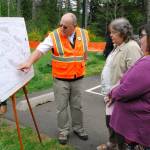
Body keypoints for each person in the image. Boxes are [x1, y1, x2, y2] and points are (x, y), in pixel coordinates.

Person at [19, 12, 89, 145]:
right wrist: (29, 63)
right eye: (60, 25)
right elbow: (40, 50)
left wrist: (84, 59)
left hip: (78, 78)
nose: (62, 28)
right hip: (61, 79)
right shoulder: (54, 36)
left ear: (74, 26)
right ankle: (63, 131)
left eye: (65, 27)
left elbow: (84, 52)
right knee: (61, 107)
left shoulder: (84, 34)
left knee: (77, 106)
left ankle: (78, 129)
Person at [97, 18, 142, 150]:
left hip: (120, 96)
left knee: (120, 126)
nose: (110, 35)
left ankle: (120, 146)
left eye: (113, 32)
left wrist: (117, 93)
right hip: (111, 94)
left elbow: (134, 77)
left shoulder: (132, 47)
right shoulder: (119, 46)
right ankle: (112, 143)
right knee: (110, 122)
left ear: (122, 33)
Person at [107, 23, 150, 150]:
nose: (139, 39)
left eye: (142, 36)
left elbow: (126, 89)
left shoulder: (147, 63)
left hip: (139, 127)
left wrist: (113, 92)